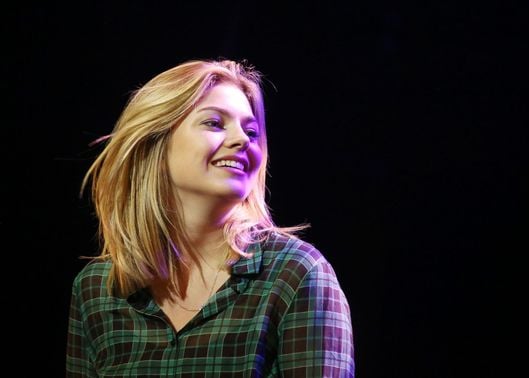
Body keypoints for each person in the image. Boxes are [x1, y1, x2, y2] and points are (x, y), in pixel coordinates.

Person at [65, 59, 354, 377]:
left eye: (251, 131)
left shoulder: (295, 275)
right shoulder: (98, 288)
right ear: (154, 142)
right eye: (215, 123)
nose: (243, 140)